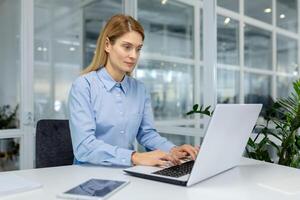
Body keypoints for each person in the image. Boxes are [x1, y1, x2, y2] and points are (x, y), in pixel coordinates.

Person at [68, 14, 198, 167]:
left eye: (138, 49)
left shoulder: (139, 89)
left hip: (128, 171)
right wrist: (135, 157)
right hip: (90, 175)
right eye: (127, 47)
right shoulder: (84, 86)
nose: (133, 56)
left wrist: (173, 150)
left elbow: (147, 134)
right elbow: (84, 146)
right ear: (107, 45)